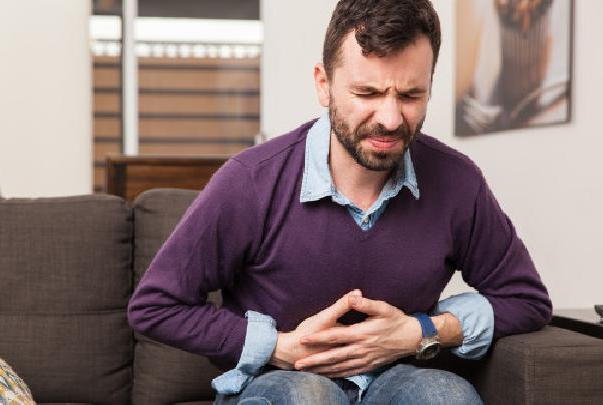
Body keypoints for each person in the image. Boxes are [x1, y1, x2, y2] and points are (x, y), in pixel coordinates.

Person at [128, 0, 552, 403]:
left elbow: (526, 300)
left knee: (443, 395)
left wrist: (421, 330)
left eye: (409, 96)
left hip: (396, 377)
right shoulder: (250, 181)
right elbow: (156, 306)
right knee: (307, 395)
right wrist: (279, 347)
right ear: (324, 85)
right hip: (280, 382)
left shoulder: (458, 182)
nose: (390, 119)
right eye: (367, 93)